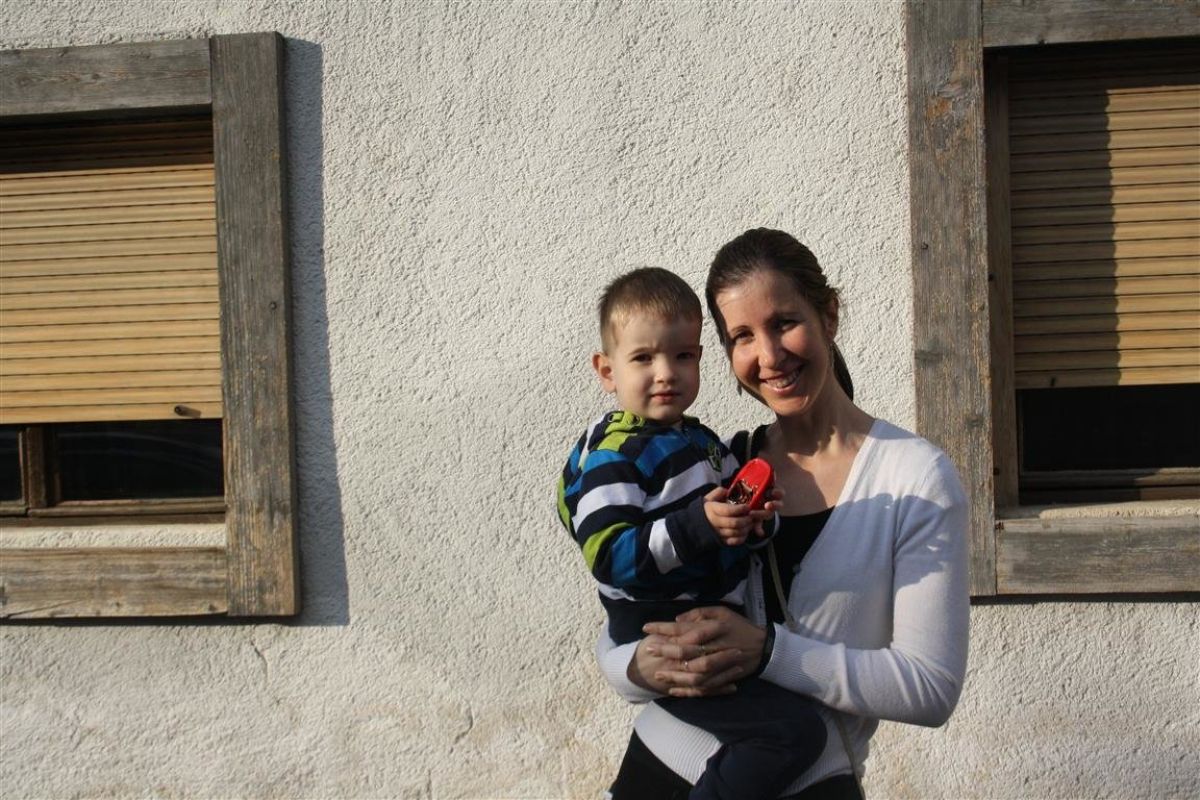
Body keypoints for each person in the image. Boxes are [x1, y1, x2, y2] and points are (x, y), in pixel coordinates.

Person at [596, 229, 970, 799]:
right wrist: (635, 670)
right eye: (742, 336)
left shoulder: (915, 479)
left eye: (785, 322)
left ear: (829, 315)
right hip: (654, 771)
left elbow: (930, 688)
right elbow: (627, 610)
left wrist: (770, 652)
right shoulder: (718, 467)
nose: (769, 356)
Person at [557, 267, 829, 800]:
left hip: (711, 629)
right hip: (665, 633)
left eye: (682, 356)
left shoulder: (704, 443)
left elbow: (738, 536)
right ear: (607, 370)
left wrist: (756, 521)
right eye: (643, 358)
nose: (666, 374)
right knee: (790, 735)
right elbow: (610, 556)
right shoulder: (614, 457)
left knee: (790, 729)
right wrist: (699, 525)